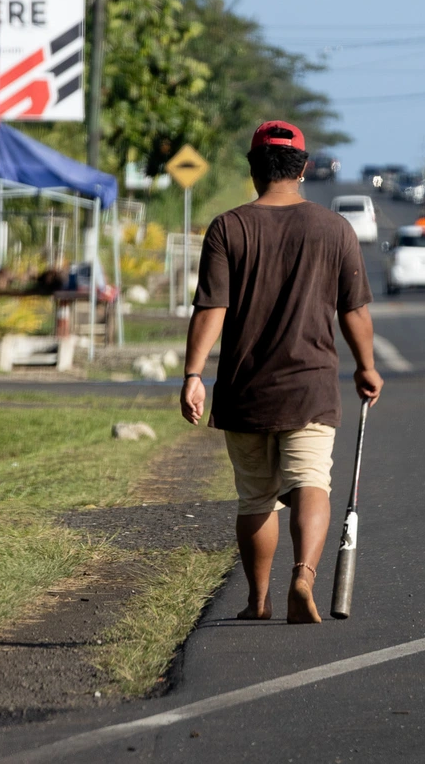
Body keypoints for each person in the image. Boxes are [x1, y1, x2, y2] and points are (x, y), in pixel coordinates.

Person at [181, 121, 383, 624]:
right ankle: (305, 575)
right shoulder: (335, 229)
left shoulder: (229, 227)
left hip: (245, 389)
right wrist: (367, 368)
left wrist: (192, 374)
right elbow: (353, 311)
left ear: (253, 168)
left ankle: (258, 600)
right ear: (304, 168)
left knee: (257, 496)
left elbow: (211, 308)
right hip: (310, 387)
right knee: (312, 481)